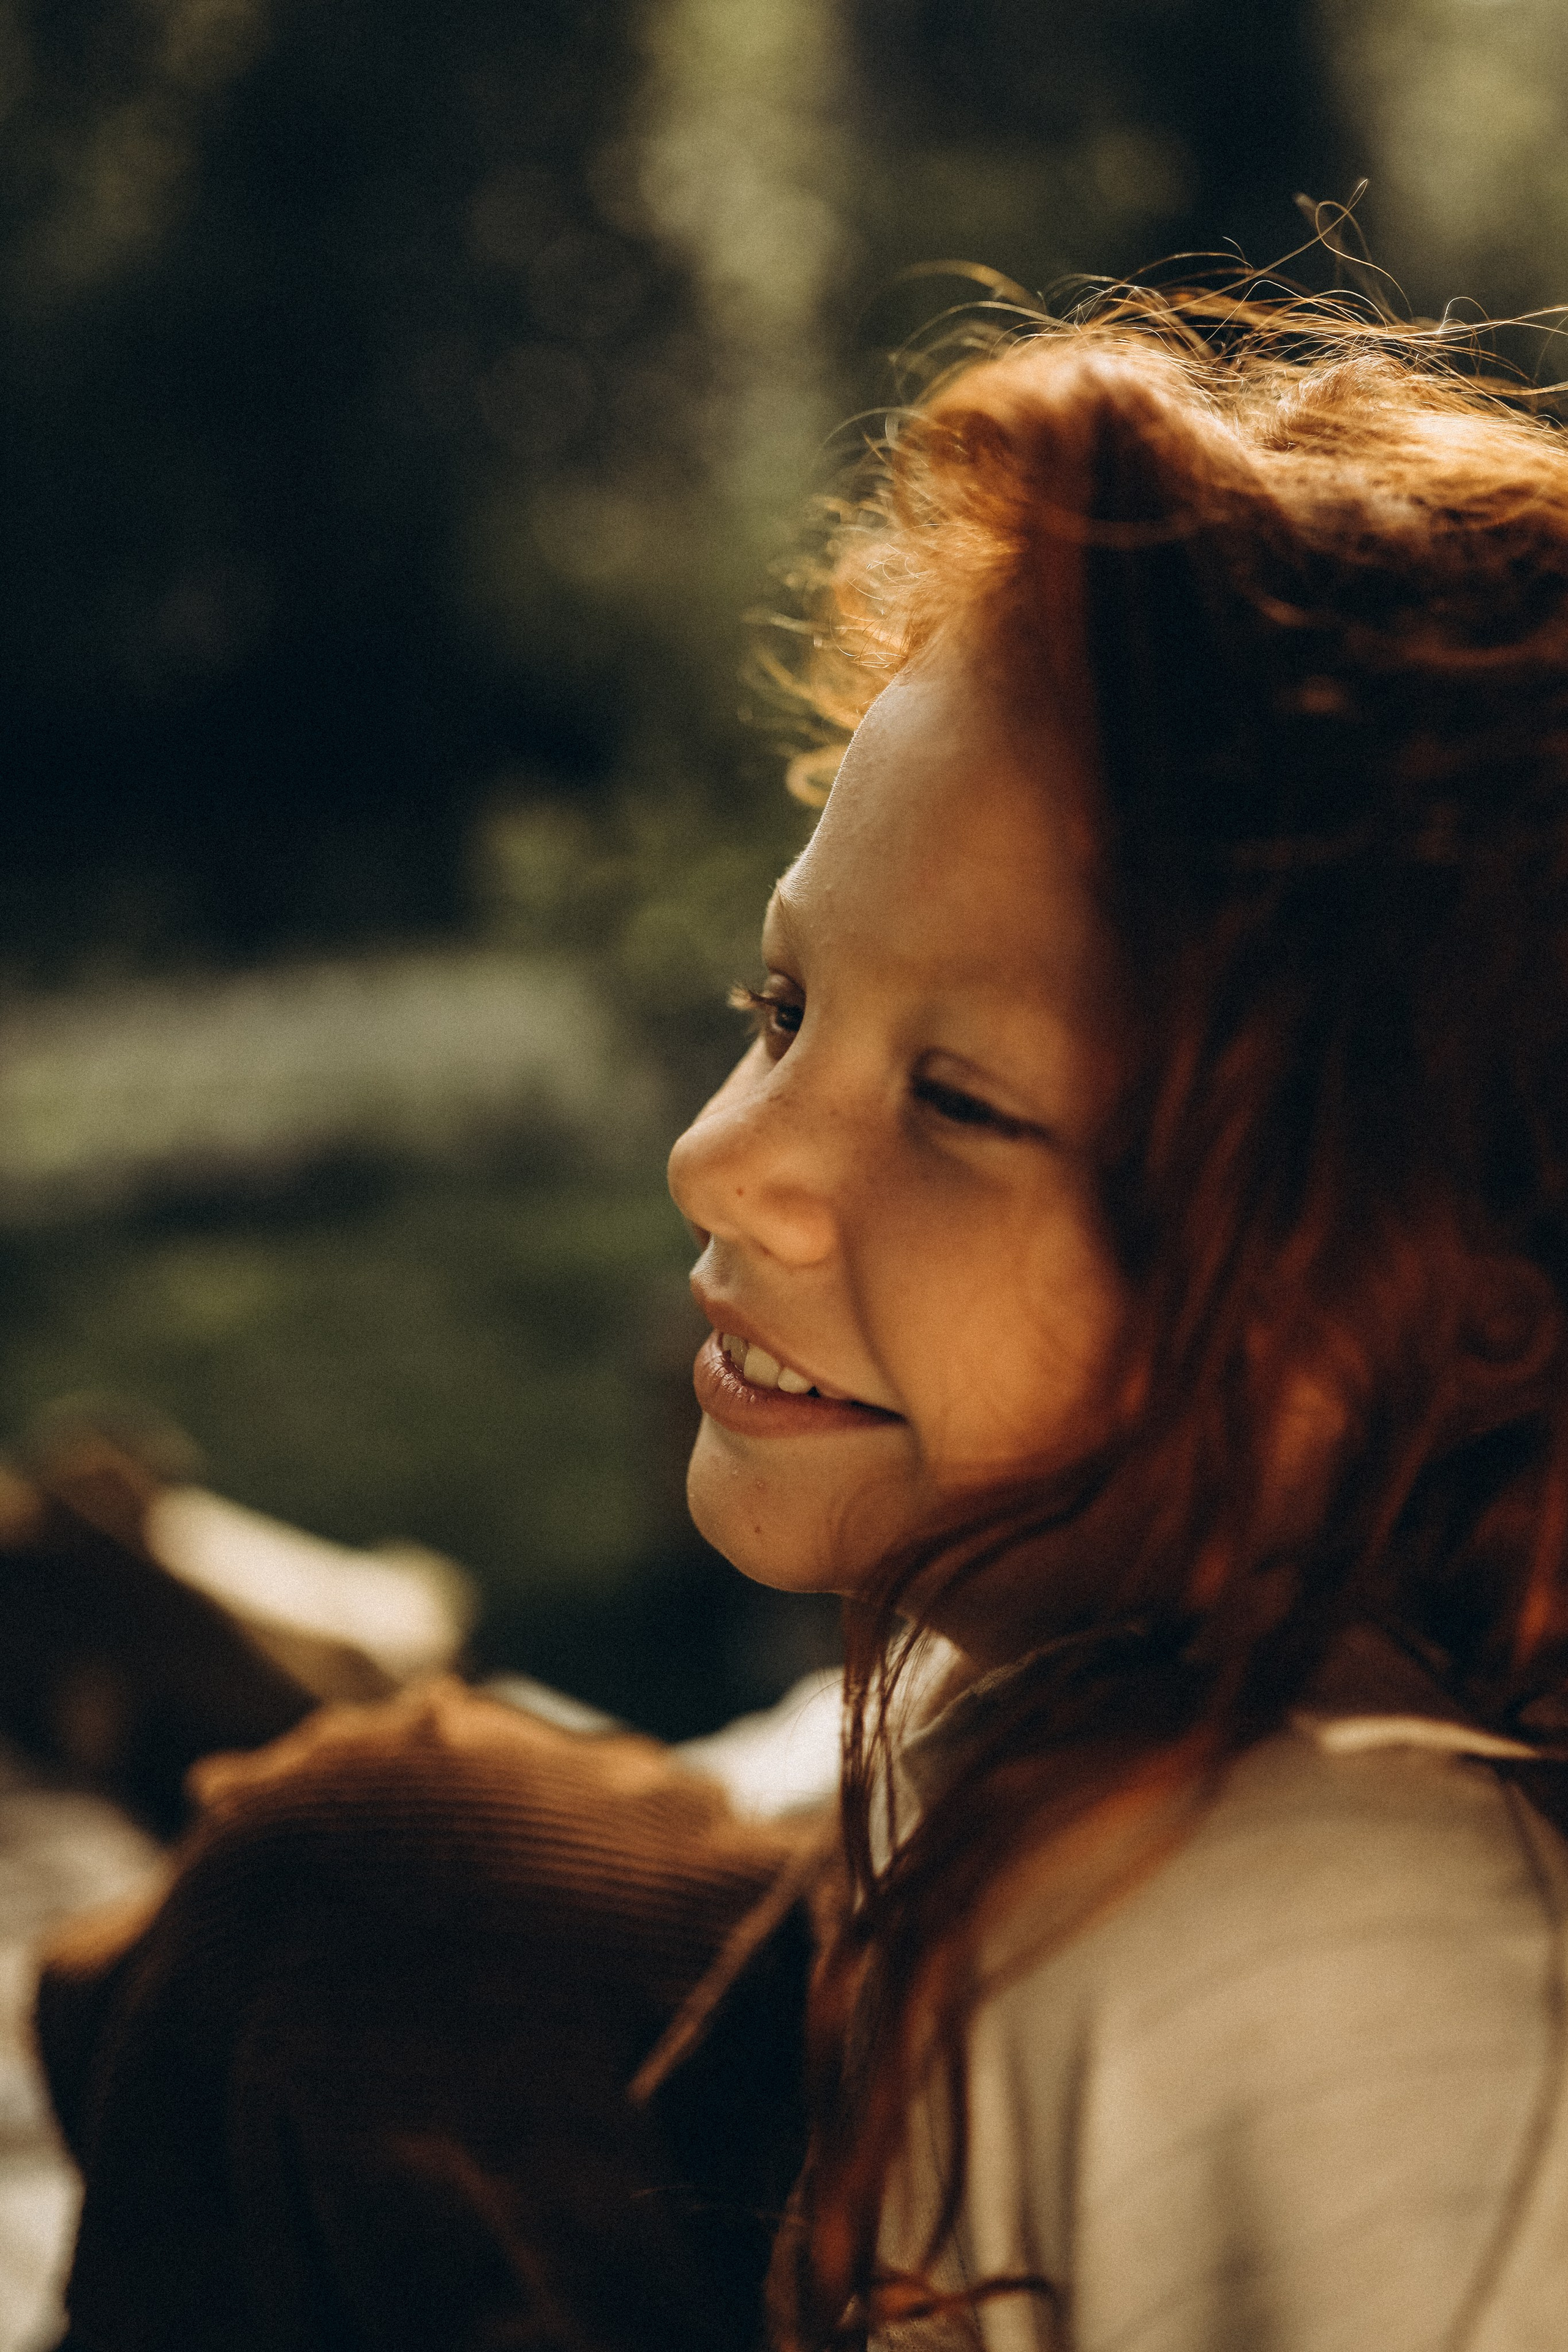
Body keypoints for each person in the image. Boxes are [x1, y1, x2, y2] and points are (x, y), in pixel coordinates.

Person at [34, 289, 1568, 2351]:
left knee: (345, 1897)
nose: (715, 1159)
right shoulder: (1060, 1665)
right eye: (780, 1009)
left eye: (963, 1105)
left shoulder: (1337, 1977)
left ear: (1460, 1309)